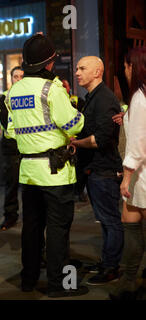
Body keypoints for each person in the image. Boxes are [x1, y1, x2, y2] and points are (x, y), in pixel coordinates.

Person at [5, 33, 88, 297]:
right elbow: (73, 124)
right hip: (55, 173)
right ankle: (58, 284)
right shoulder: (51, 89)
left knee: (31, 227)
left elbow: (10, 131)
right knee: (57, 230)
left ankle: (28, 280)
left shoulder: (13, 91)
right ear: (49, 63)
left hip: (28, 172)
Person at [71, 56, 124, 286]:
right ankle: (107, 262)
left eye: (82, 68)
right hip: (96, 171)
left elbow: (100, 140)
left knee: (111, 221)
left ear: (97, 71)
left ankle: (112, 267)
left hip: (104, 171)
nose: (77, 72)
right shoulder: (92, 98)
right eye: (77, 68)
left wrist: (74, 142)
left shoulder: (103, 99)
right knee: (105, 220)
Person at [110, 47, 146, 300]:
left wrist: (126, 176)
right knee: (129, 221)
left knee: (132, 223)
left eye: (126, 66)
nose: (124, 70)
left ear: (134, 66)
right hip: (141, 175)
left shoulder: (139, 98)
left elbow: (137, 145)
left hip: (141, 175)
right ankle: (129, 280)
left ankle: (129, 283)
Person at [0, 66, 23, 230]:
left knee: (31, 186)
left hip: (28, 146)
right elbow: (5, 123)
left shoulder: (30, 95)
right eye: (16, 76)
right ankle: (10, 216)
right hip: (12, 146)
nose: (19, 79)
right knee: (11, 184)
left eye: (22, 76)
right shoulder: (5, 97)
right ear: (11, 78)